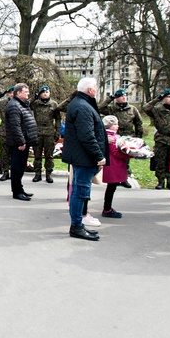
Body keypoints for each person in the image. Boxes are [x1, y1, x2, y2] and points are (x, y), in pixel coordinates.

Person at [62, 77, 107, 241]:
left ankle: (78, 225)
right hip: (84, 158)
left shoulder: (82, 104)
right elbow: (87, 136)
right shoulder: (83, 106)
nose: (96, 89)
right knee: (80, 193)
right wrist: (99, 156)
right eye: (95, 87)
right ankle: (76, 226)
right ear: (90, 90)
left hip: (82, 157)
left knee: (79, 192)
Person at [5, 83, 38, 201]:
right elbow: (15, 126)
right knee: (17, 167)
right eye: (26, 92)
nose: (28, 94)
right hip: (18, 143)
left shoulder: (21, 104)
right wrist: (21, 142)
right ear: (18, 93)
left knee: (21, 167)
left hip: (24, 140)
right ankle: (17, 192)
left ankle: (20, 189)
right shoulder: (14, 106)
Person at [30, 85, 70, 184]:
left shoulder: (53, 104)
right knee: (37, 155)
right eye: (43, 92)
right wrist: (34, 97)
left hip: (49, 132)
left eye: (47, 92)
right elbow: (26, 104)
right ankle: (37, 174)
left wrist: (57, 132)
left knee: (49, 155)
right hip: (37, 131)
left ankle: (48, 174)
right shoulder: (35, 103)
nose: (45, 93)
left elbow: (57, 119)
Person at [143, 89, 170, 190]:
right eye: (168, 97)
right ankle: (160, 181)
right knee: (160, 161)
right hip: (161, 139)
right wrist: (158, 98)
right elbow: (146, 108)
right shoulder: (158, 109)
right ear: (164, 99)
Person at [101, 115, 129, 218]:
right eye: (115, 124)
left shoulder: (108, 136)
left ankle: (107, 208)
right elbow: (116, 153)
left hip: (112, 165)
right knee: (111, 187)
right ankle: (107, 208)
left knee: (111, 187)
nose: (117, 126)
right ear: (109, 126)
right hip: (114, 165)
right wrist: (129, 154)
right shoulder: (112, 137)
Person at [0, 87, 14, 180]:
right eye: (10, 93)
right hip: (4, 131)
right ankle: (6, 172)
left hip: (15, 132)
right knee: (4, 153)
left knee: (15, 154)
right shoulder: (2, 103)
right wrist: (0, 95)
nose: (12, 94)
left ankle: (14, 173)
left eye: (13, 92)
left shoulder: (20, 103)